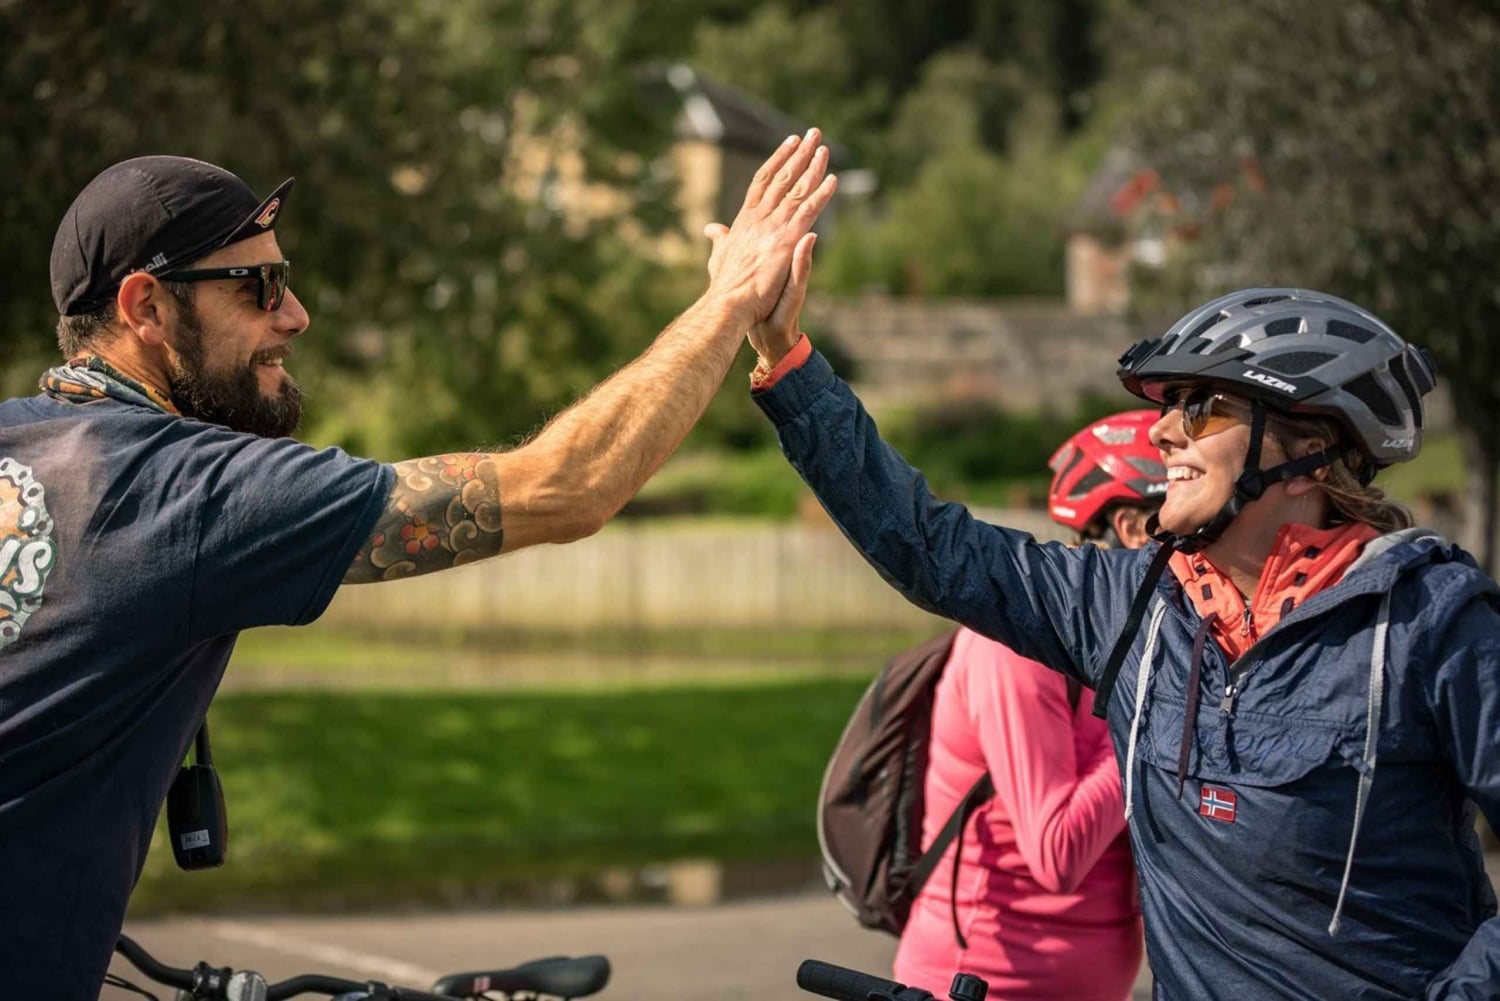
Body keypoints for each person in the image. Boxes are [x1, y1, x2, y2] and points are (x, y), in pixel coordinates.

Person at [0, 134, 833, 999]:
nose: (296, 316)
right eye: (260, 287)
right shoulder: (189, 493)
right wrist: (732, 300)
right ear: (145, 307)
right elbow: (569, 485)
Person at [722, 244, 1499, 1000]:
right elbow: (930, 546)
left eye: (1201, 409)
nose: (1162, 433)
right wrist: (788, 360)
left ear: (1309, 446)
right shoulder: (1132, 602)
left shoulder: (1430, 623)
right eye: (1167, 409)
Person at [893, 411, 1162, 1001]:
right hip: (981, 986)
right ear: (1134, 528)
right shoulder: (1017, 648)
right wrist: (1154, 722)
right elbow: (1057, 851)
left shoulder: (1129, 643)